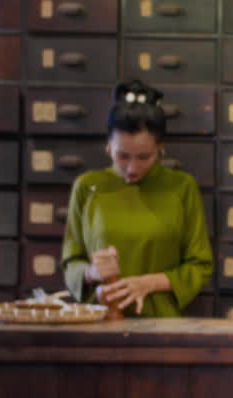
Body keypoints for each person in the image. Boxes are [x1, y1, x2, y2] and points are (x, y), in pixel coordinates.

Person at [61, 79, 213, 317]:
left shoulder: (181, 187)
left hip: (160, 323)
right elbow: (71, 262)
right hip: (100, 318)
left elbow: (200, 266)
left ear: (160, 149)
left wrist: (148, 283)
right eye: (123, 156)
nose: (132, 168)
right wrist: (91, 272)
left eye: (144, 157)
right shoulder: (88, 186)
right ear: (109, 145)